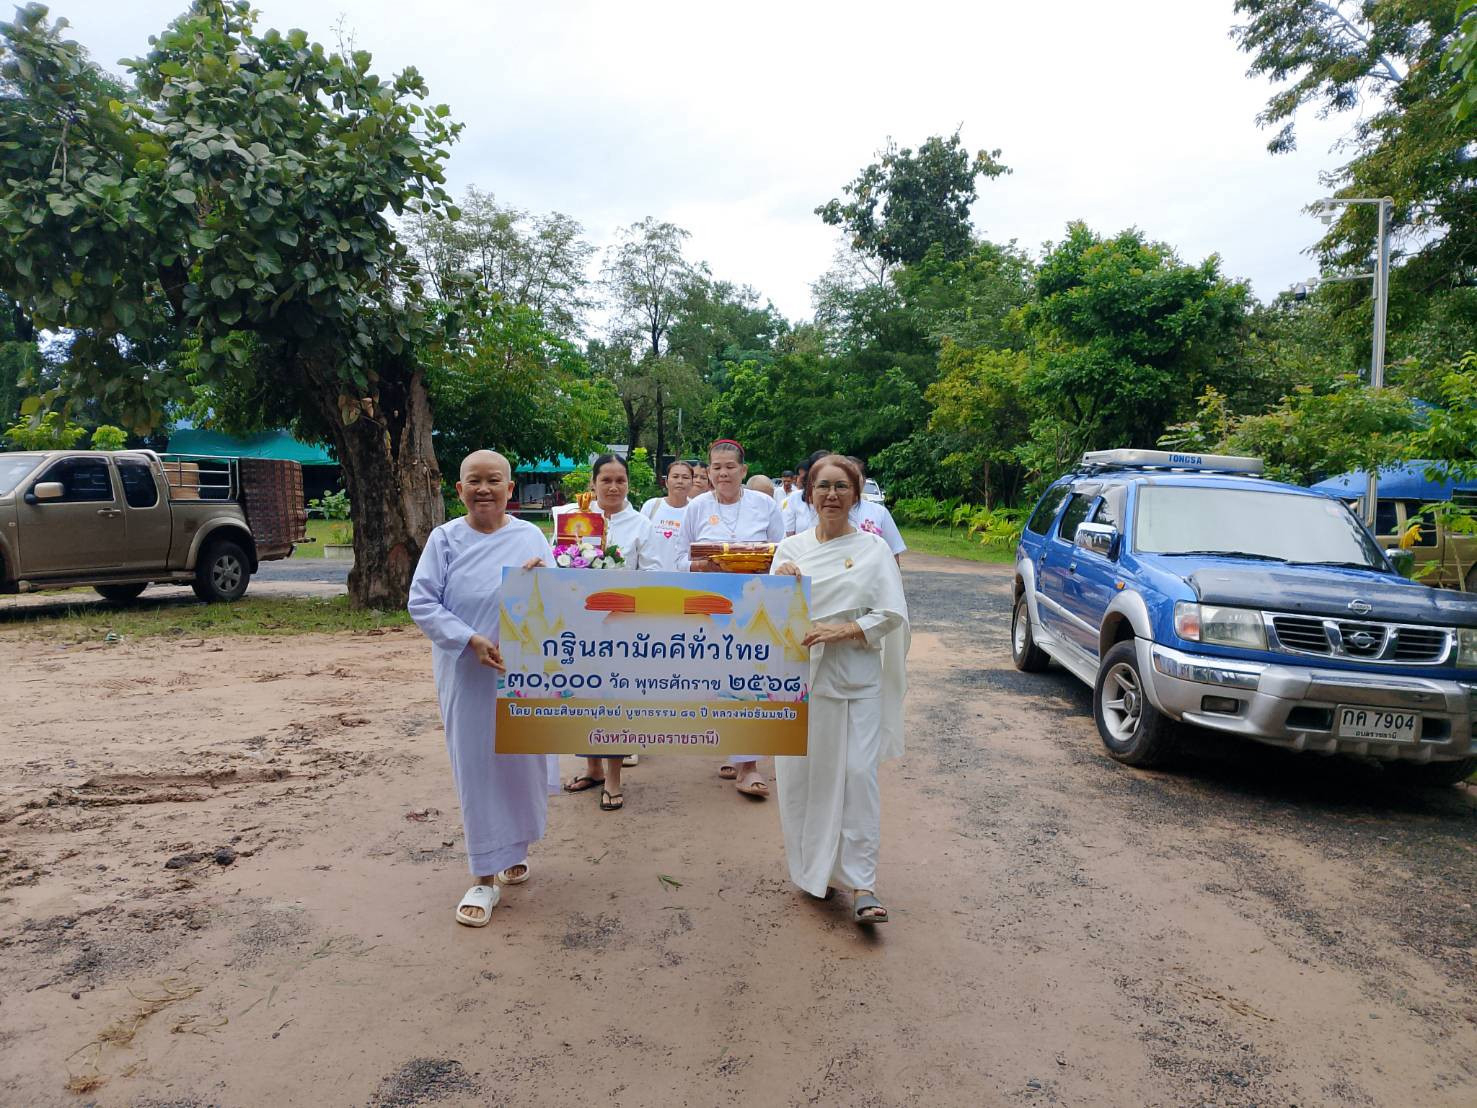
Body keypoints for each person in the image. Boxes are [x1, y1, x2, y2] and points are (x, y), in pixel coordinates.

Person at [408, 450, 555, 928]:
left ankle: (515, 848)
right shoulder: (445, 539)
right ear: (459, 489)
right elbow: (421, 602)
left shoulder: (530, 535)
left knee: (519, 765)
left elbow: (556, 601)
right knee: (476, 767)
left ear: (511, 489)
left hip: (520, 673)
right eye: (475, 481)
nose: (485, 489)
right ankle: (483, 876)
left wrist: (542, 580)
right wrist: (468, 639)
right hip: (468, 674)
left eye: (495, 480)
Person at [771, 455, 909, 925]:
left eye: (842, 487)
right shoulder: (788, 549)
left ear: (857, 493)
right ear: (808, 492)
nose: (831, 495)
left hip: (856, 680)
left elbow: (892, 614)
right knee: (804, 779)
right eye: (822, 486)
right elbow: (767, 620)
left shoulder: (872, 549)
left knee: (857, 777)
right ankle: (816, 871)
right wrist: (779, 586)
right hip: (801, 685)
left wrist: (843, 630)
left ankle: (864, 885)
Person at [675, 439, 785, 797]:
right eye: (716, 468)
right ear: (707, 472)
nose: (722, 473)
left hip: (755, 607)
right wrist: (701, 564)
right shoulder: (695, 508)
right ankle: (731, 747)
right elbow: (677, 559)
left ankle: (749, 767)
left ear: (743, 470)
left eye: (730, 467)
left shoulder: (765, 505)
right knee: (718, 681)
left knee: (750, 679)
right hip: (709, 607)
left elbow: (783, 554)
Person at [557, 453, 661, 802]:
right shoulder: (572, 519)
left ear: (629, 484)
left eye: (620, 480)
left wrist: (618, 585)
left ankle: (614, 778)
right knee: (583, 694)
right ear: (594, 483)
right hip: (580, 624)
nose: (614, 487)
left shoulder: (642, 525)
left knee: (616, 699)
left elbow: (654, 574)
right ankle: (593, 768)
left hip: (622, 625)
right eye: (606, 480)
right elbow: (556, 566)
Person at [845, 455, 907, 562]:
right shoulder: (827, 513)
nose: (851, 481)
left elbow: (893, 553)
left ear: (863, 481)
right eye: (846, 476)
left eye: (855, 476)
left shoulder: (879, 512)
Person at [639, 459, 694, 572]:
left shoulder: (695, 510)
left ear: (692, 483)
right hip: (651, 579)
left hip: (685, 582)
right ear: (666, 482)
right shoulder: (652, 506)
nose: (680, 481)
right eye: (675, 476)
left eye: (685, 477)